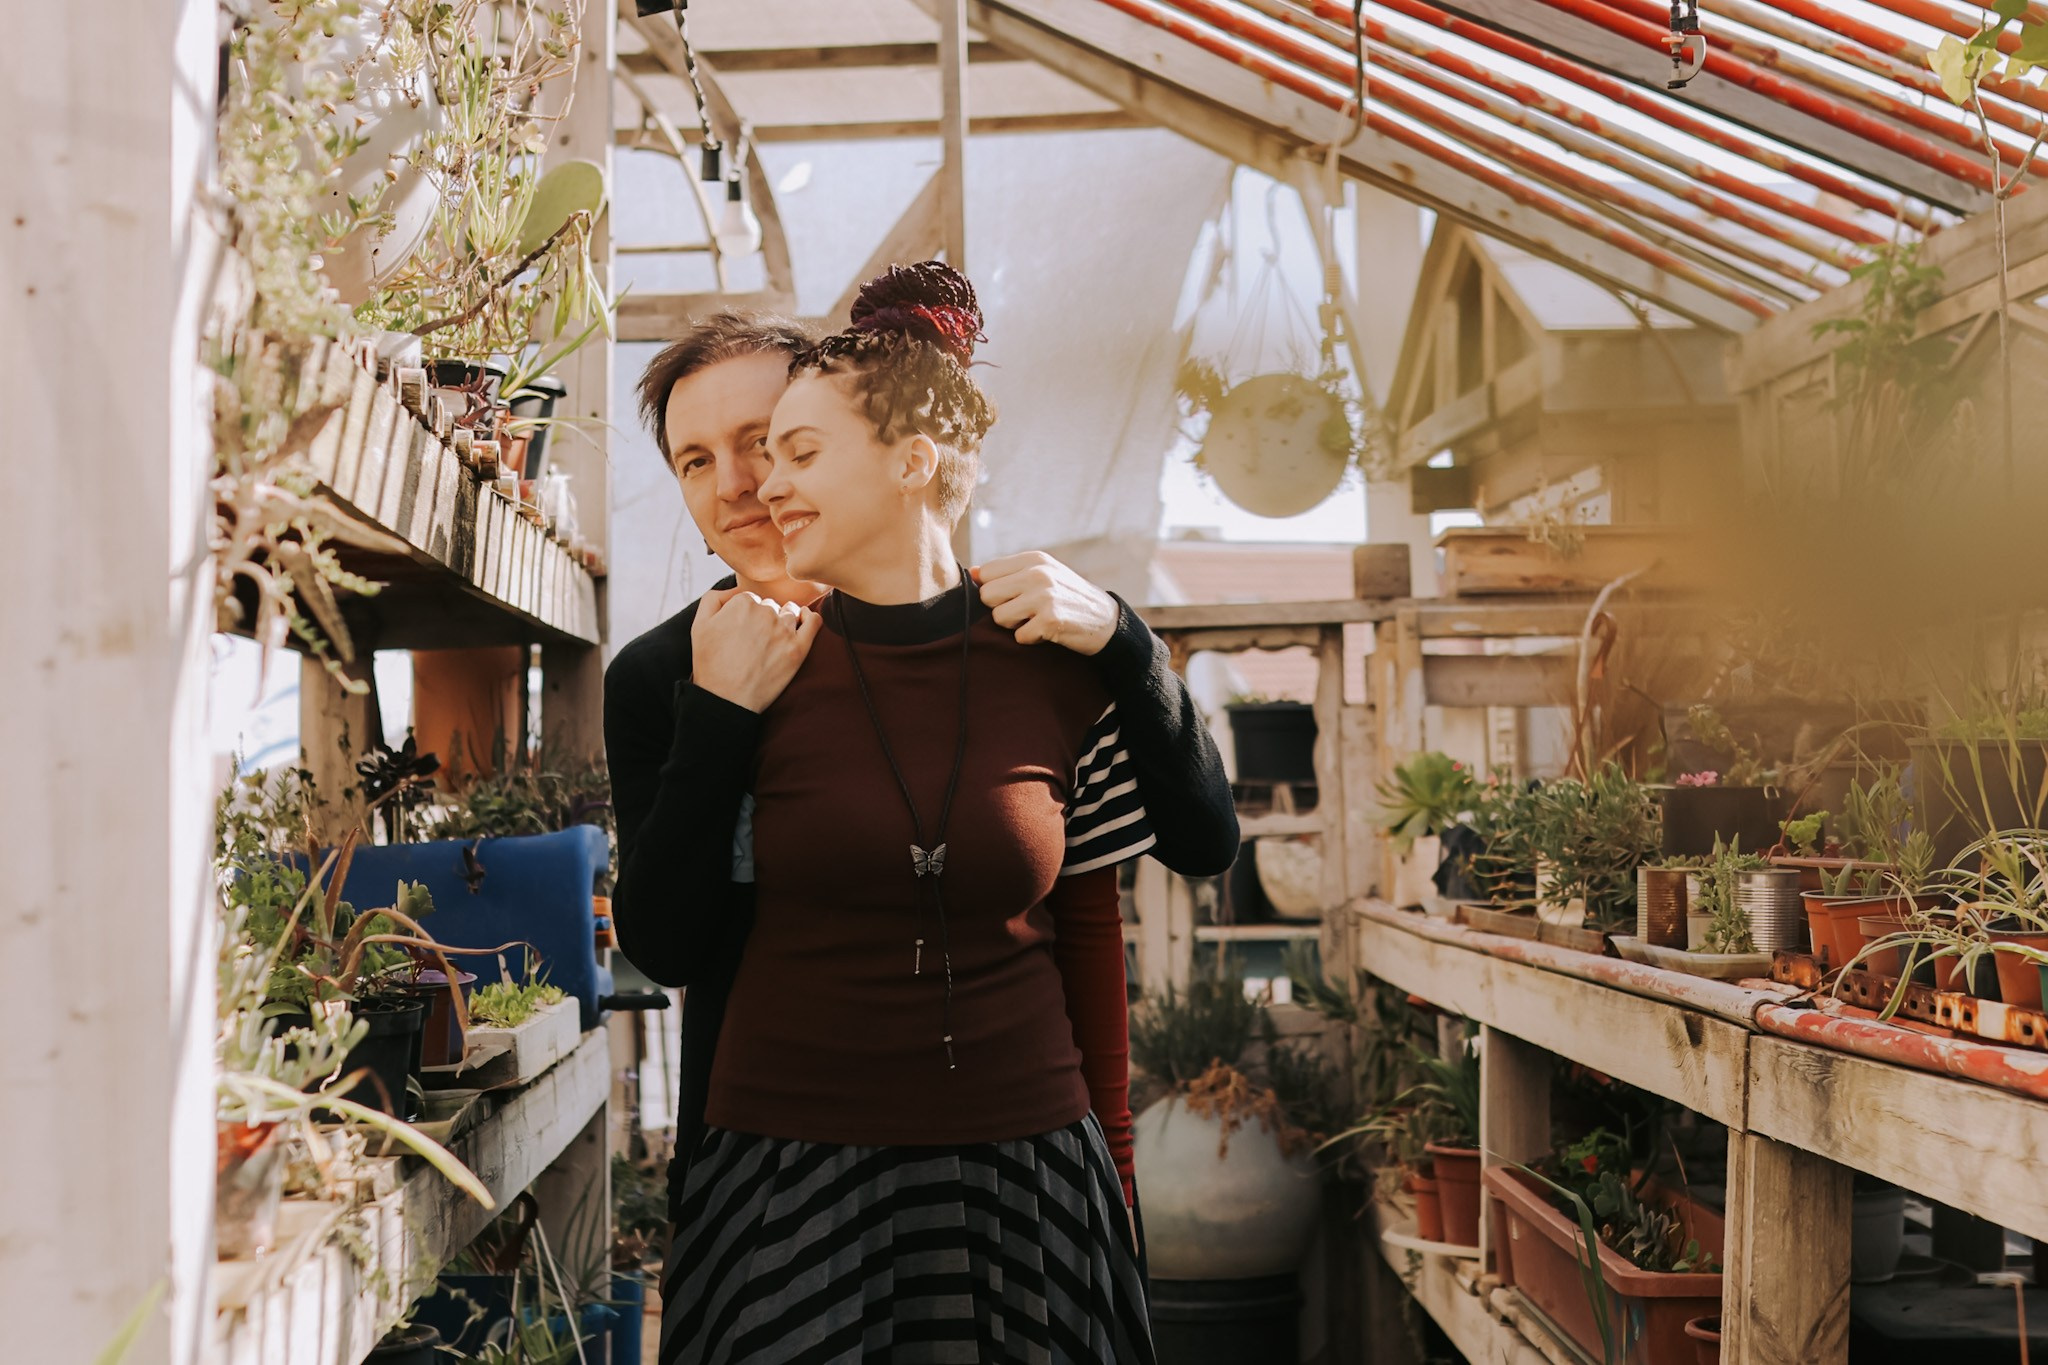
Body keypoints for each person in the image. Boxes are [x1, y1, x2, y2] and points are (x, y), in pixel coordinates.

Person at [602, 287, 1237, 1361]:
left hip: (1013, 1158)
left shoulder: (1024, 651)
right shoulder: (669, 674)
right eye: (694, 463)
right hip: (773, 1156)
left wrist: (1109, 1173)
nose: (745, 486)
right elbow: (670, 947)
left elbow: (1086, 924)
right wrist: (720, 717)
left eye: (769, 444)